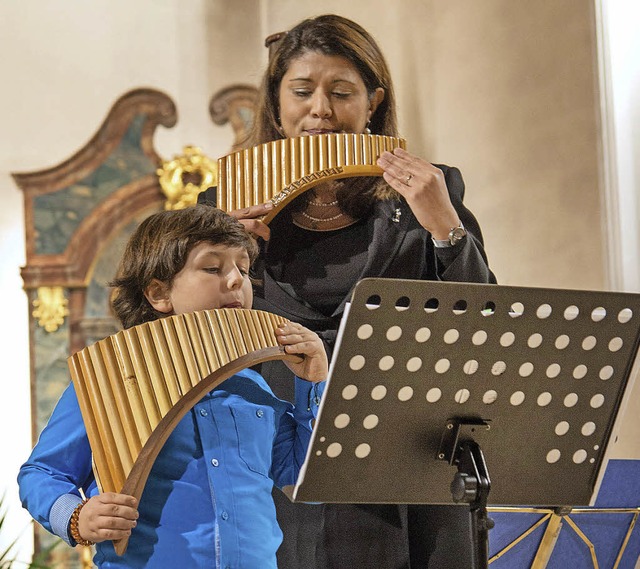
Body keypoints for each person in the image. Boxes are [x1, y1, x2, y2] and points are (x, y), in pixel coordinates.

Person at [199, 13, 497, 569]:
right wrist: (229, 263)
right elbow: (187, 340)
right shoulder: (223, 206)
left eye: (342, 92)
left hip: (406, 443)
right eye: (302, 91)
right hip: (281, 451)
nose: (321, 110)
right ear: (276, 102)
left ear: (374, 102)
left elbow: (482, 323)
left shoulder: (429, 194)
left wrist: (444, 227)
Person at [18, 205, 328, 568]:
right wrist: (77, 517)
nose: (235, 281)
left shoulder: (254, 387)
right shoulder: (113, 379)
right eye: (212, 268)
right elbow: (41, 473)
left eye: (243, 270)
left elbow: (307, 485)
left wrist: (315, 383)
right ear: (158, 294)